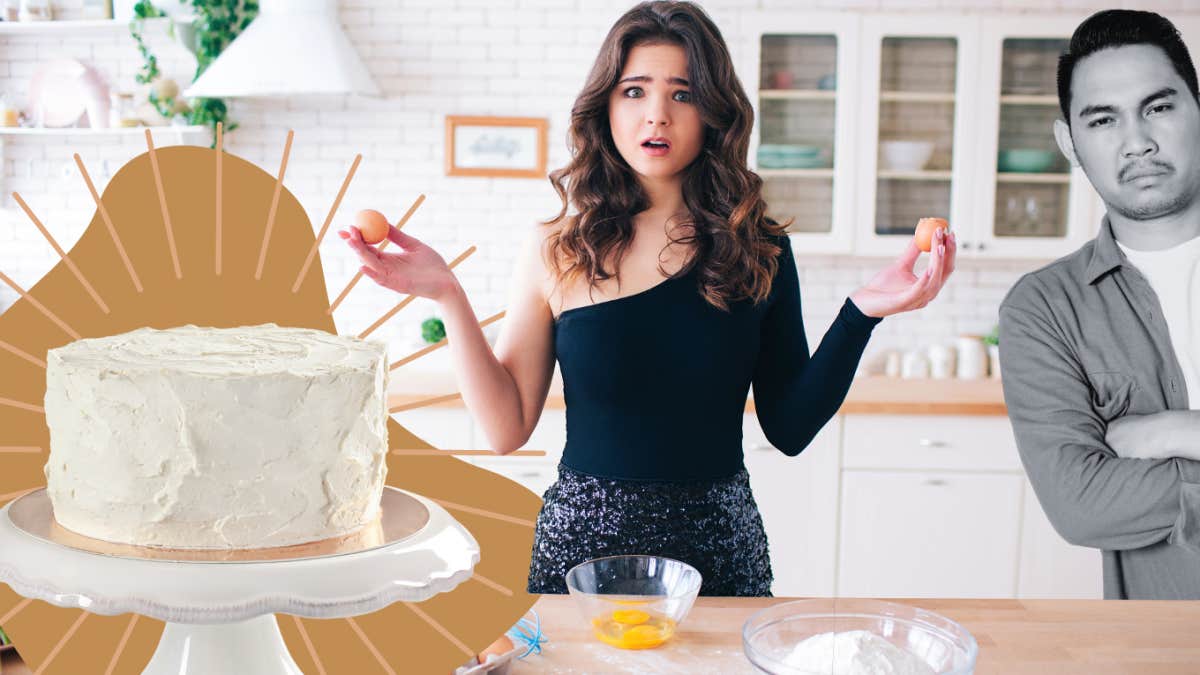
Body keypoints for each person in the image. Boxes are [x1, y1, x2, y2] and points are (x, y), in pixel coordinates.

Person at [342, 1, 955, 596]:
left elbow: (790, 427)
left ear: (713, 113)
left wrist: (861, 315)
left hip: (719, 557)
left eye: (682, 94)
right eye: (634, 91)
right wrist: (447, 294)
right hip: (581, 558)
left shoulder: (759, 249)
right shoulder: (557, 248)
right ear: (605, 105)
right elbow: (504, 429)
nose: (656, 115)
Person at [999, 9, 1200, 600]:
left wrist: (1178, 432)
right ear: (1069, 141)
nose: (1137, 142)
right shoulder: (1044, 309)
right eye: (1104, 118)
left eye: (1158, 107)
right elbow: (1081, 508)